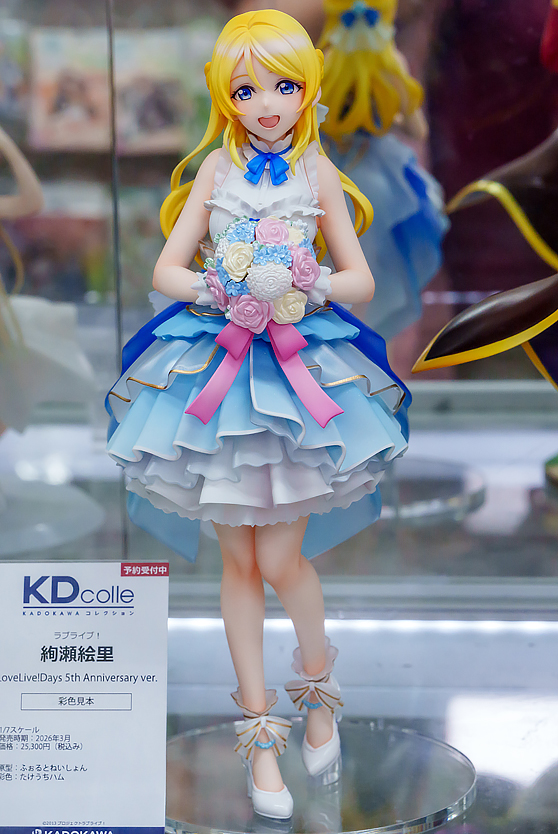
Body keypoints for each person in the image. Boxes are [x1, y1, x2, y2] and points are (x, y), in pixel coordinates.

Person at [107, 10, 409, 820]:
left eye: (282, 86)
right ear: (225, 97)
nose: (266, 104)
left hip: (296, 371)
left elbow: (361, 281)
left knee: (279, 560)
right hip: (220, 366)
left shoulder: (317, 171)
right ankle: (259, 731)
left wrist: (303, 284)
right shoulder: (213, 169)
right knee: (236, 565)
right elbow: (167, 270)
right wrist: (223, 286)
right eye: (246, 90)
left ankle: (318, 687)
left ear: (307, 89)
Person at [318, 0, 448, 341]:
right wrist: (387, 115)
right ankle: (359, 337)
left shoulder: (322, 64)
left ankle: (342, 336)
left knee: (334, 264)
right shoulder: (391, 65)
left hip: (336, 175)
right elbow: (417, 130)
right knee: (369, 267)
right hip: (373, 180)